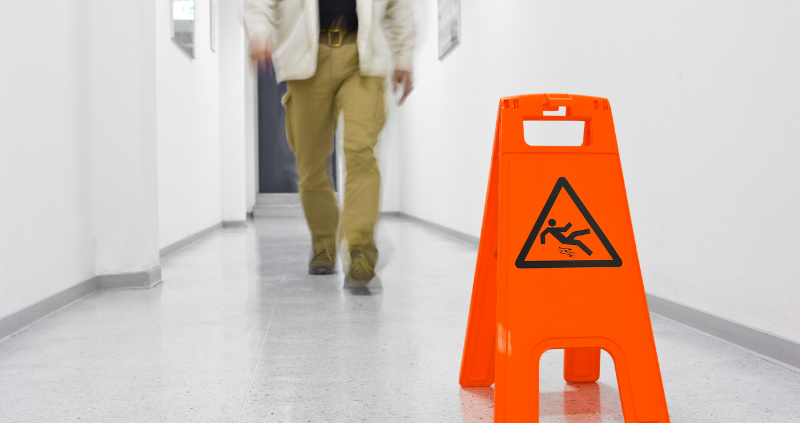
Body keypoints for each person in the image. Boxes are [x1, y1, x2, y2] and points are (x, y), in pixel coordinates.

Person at [244, 0, 415, 281]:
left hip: (362, 57)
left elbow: (399, 6)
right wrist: (259, 31)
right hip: (304, 57)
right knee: (310, 164)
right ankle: (323, 244)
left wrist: (404, 54)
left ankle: (359, 250)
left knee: (361, 150)